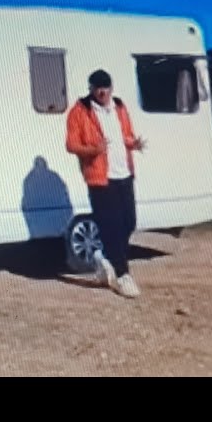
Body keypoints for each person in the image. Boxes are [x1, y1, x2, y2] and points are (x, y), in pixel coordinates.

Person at [65, 69, 146, 298]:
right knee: (111, 226)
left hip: (124, 174)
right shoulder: (80, 111)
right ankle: (122, 276)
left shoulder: (119, 107)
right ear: (90, 89)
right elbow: (71, 144)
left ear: (111, 87)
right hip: (100, 178)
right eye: (97, 87)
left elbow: (125, 135)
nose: (102, 92)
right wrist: (94, 150)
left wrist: (133, 144)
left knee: (128, 222)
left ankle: (103, 259)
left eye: (106, 87)